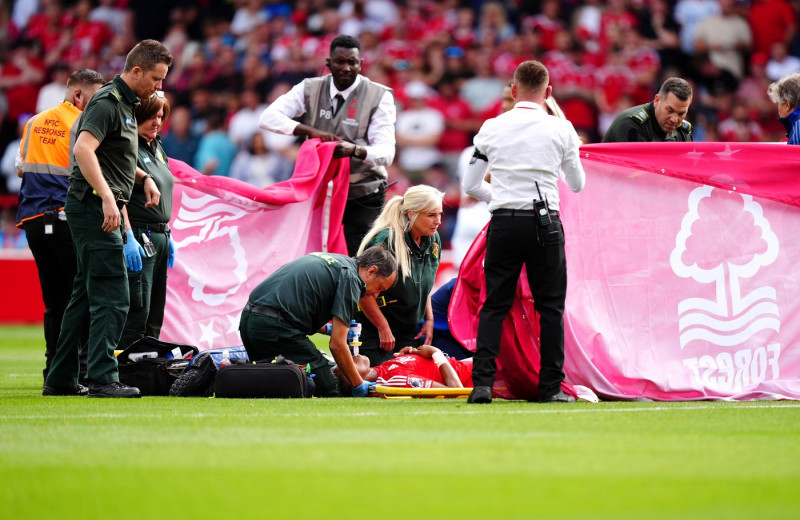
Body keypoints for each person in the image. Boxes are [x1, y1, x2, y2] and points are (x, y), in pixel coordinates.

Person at [43, 40, 173, 398]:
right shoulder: (107, 102)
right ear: (135, 72)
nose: (158, 88)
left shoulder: (127, 107)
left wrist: (143, 177)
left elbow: (115, 157)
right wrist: (106, 198)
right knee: (114, 294)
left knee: (85, 295)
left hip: (96, 206)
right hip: (94, 208)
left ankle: (61, 378)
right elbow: (84, 149)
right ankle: (102, 378)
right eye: (156, 79)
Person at [463, 60, 585, 404]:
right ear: (548, 92)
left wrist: (498, 198)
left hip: (504, 221)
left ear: (513, 90)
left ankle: (483, 385)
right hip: (545, 222)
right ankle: (550, 388)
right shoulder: (561, 129)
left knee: (493, 305)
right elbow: (577, 184)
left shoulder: (491, 127)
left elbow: (470, 184)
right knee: (550, 308)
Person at [259, 34, 396, 256]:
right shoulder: (309, 88)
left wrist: (356, 150)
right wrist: (310, 131)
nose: (346, 67)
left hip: (362, 194)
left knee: (359, 262)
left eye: (352, 62)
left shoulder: (379, 96)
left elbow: (387, 152)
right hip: (321, 193)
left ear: (361, 64)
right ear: (328, 63)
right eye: (340, 61)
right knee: (315, 259)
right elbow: (267, 117)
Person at [15, 69, 106, 382]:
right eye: (95, 97)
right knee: (81, 296)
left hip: (33, 220)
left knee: (54, 300)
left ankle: (53, 370)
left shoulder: (34, 121)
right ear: (77, 95)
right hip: (67, 218)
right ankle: (77, 371)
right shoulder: (82, 124)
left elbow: (19, 168)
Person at [239, 246, 397, 397]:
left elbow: (296, 309)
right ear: (372, 271)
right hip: (273, 326)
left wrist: (328, 329)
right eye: (379, 288)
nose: (376, 295)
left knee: (271, 385)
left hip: (248, 320)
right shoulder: (352, 280)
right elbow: (337, 345)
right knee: (329, 386)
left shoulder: (338, 262)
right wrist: (357, 383)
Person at [354, 185, 444, 366]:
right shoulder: (386, 240)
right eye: (431, 215)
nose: (438, 221)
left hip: (407, 330)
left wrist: (429, 319)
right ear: (411, 214)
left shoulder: (433, 239)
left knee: (410, 381)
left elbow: (424, 284)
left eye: (440, 214)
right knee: (376, 381)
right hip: (373, 331)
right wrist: (382, 327)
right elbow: (364, 289)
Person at [118, 92, 176, 349]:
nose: (157, 121)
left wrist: (168, 233)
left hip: (160, 236)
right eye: (151, 116)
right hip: (141, 235)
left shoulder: (158, 147)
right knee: (138, 305)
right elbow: (118, 193)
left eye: (161, 116)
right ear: (137, 116)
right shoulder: (127, 147)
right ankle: (125, 367)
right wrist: (128, 234)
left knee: (155, 307)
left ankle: (148, 366)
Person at [334, 345, 474, 393]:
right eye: (346, 365)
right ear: (355, 379)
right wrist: (435, 352)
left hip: (468, 363)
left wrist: (415, 352)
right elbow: (456, 390)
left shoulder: (384, 368)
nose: (352, 356)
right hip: (479, 375)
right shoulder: (396, 381)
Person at [602, 77, 694, 142]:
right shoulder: (631, 124)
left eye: (681, 114)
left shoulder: (683, 131)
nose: (674, 119)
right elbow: (633, 168)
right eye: (669, 110)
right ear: (657, 101)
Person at [767, 72, 800, 144]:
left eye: (779, 102)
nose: (778, 107)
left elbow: (795, 154)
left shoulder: (799, 126)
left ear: (787, 105)